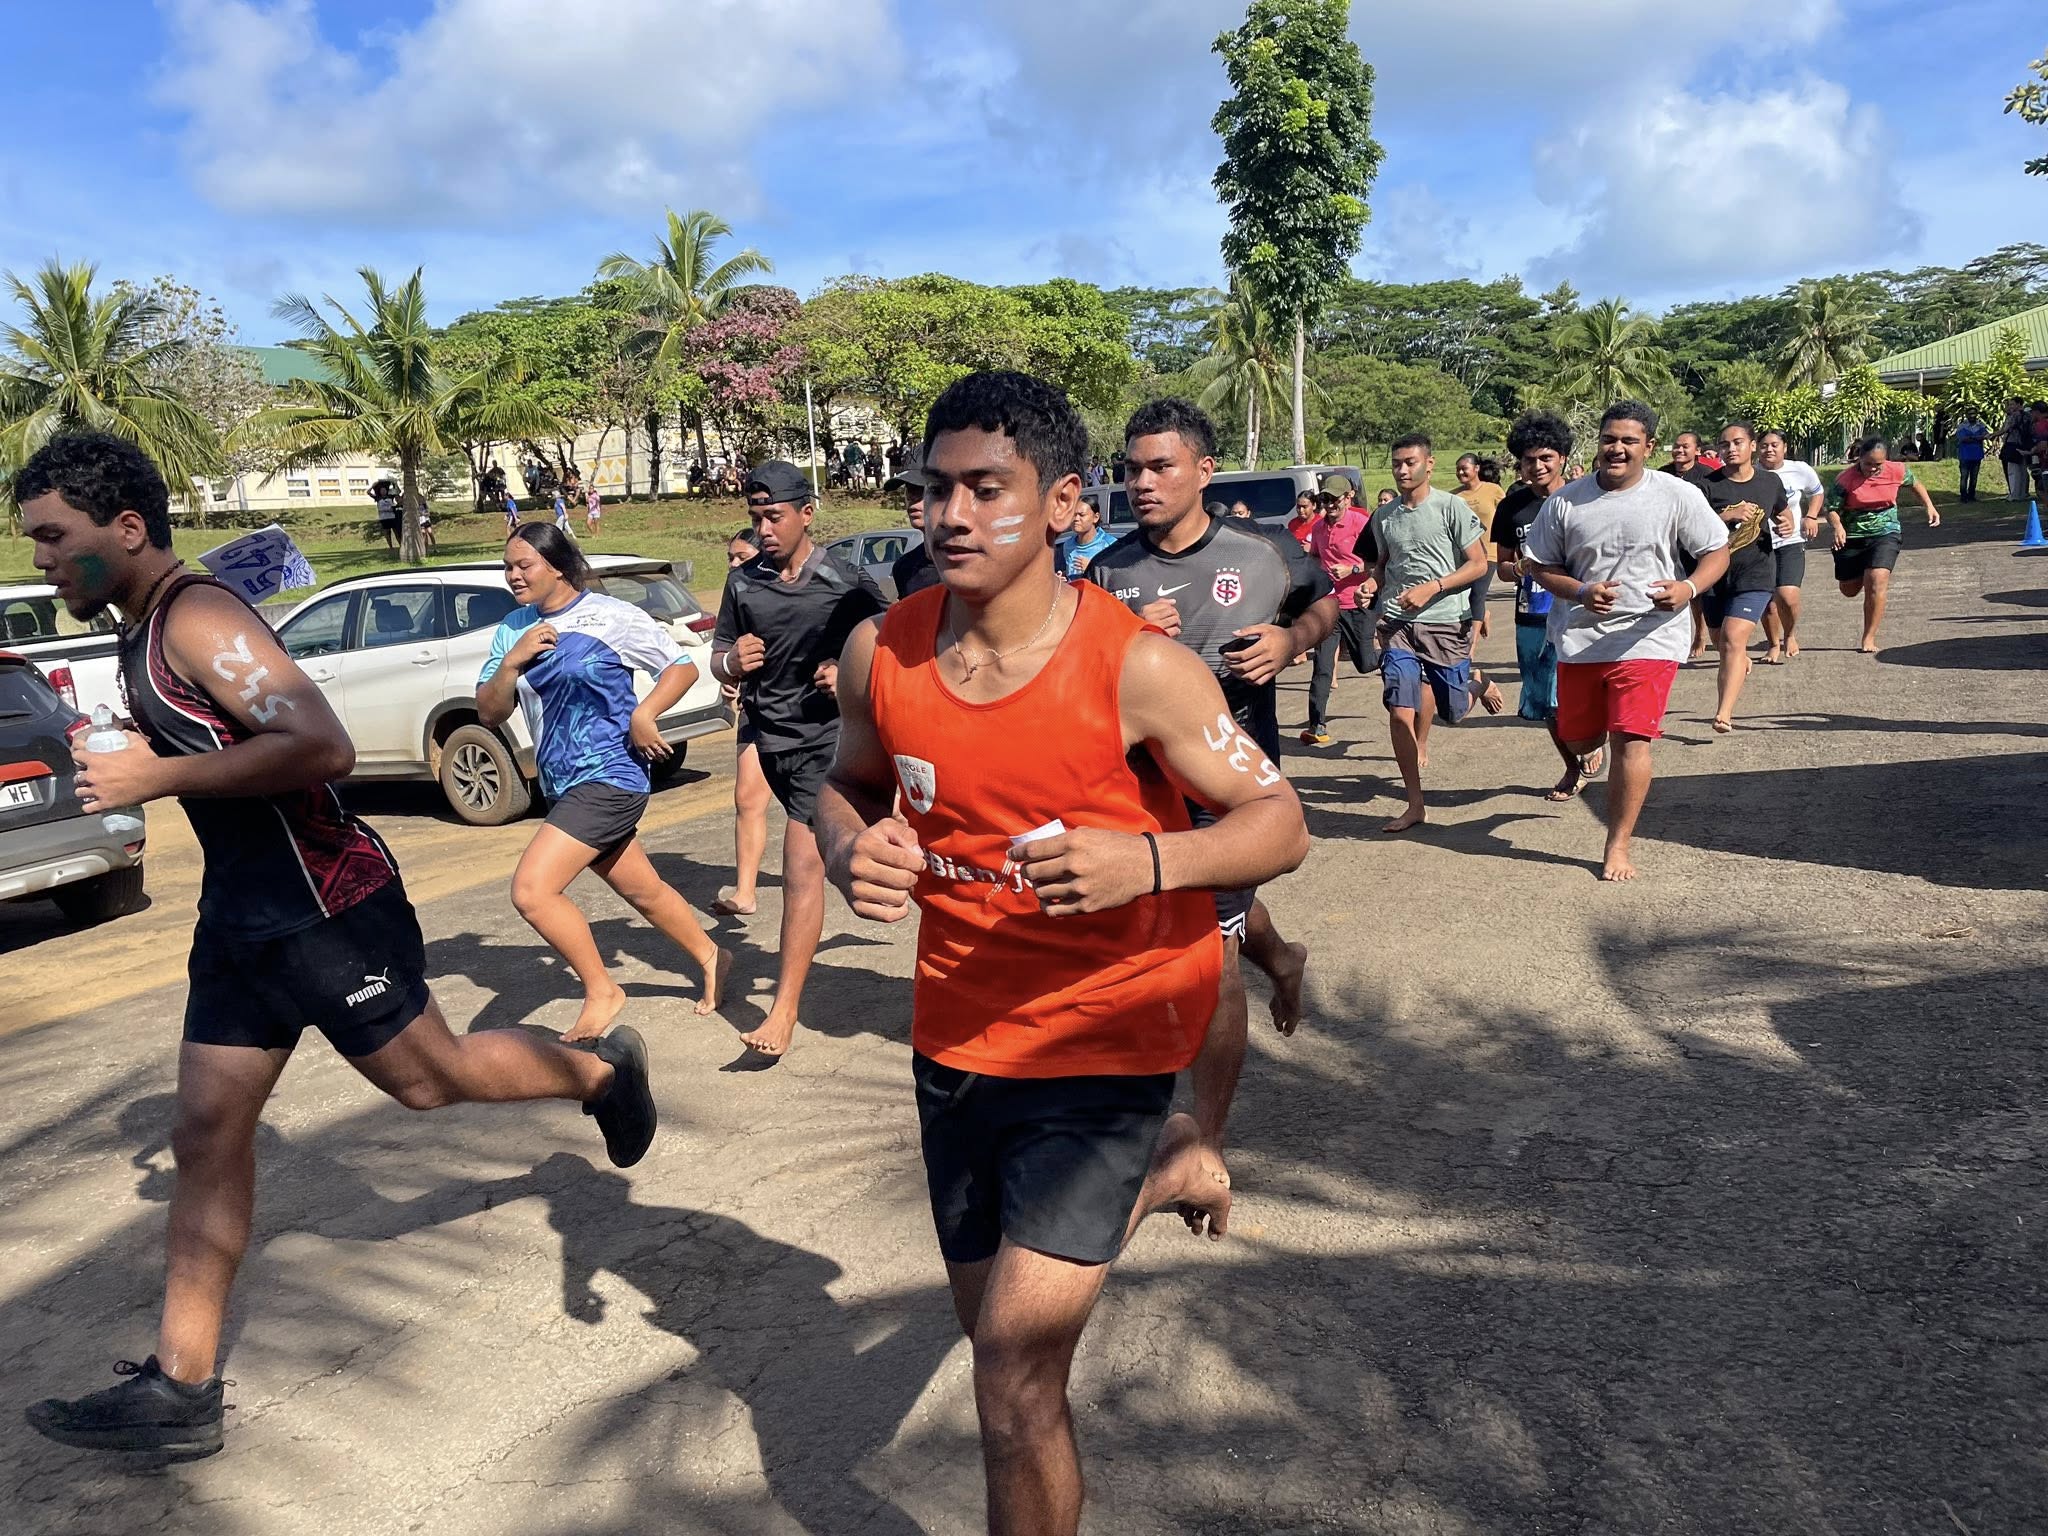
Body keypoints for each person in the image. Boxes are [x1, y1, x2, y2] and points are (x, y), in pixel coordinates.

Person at [18, 433, 655, 1460]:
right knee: (204, 1134)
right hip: (241, 918)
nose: (42, 558)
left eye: (54, 537)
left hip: (323, 906)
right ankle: (182, 1387)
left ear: (126, 528)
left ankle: (598, 1071)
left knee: (430, 1082)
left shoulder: (198, 616)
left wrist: (157, 777)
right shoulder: (145, 626)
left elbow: (322, 745)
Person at [816, 371, 1308, 1536]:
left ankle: (1157, 1152)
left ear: (1061, 503)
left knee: (1009, 1379)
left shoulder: (1137, 666)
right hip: (956, 1040)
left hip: (1107, 1035)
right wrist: (849, 849)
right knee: (993, 1349)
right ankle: (1169, 1167)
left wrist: (1147, 861)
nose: (950, 515)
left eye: (986, 489)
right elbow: (844, 784)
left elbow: (1278, 823)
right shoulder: (881, 651)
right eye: (934, 487)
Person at [1087, 398, 1333, 1148]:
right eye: (1132, 469)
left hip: (1230, 785)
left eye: (1160, 467)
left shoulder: (1264, 552)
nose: (1142, 483)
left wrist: (1290, 641)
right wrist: (1126, 638)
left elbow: (1330, 605)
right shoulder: (1107, 569)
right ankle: (1282, 958)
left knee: (1211, 955)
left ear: (1204, 470)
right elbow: (1085, 676)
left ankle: (1208, 1142)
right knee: (1200, 915)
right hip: (1141, 785)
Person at [478, 524, 729, 1041]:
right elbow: (489, 712)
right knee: (643, 890)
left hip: (612, 773)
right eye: (507, 567)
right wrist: (512, 661)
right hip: (561, 784)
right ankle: (712, 955)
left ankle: (602, 990)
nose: (513, 575)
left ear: (557, 567)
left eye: (524, 565)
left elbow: (679, 668)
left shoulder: (612, 616)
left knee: (533, 891)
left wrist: (644, 714)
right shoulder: (513, 629)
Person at [710, 461, 888, 1058]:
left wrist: (849, 673)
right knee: (848, 859)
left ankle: (782, 1012)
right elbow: (718, 654)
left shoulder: (845, 581)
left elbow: (891, 643)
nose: (763, 529)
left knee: (800, 869)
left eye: (774, 516)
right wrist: (732, 662)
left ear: (806, 514)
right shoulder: (743, 583)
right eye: (756, 517)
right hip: (770, 742)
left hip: (826, 743)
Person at [1522, 401, 1730, 881]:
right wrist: (1580, 591)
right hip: (1581, 638)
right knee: (1579, 738)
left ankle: (1617, 844)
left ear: (1648, 447)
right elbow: (1541, 566)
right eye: (1609, 439)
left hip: (1649, 636)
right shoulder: (1565, 502)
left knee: (1631, 739)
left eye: (1629, 441)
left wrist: (1688, 588)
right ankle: (1588, 748)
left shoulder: (1675, 494)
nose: (1617, 449)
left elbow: (1716, 551)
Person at [1371, 434, 1505, 835]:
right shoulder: (1384, 516)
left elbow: (1478, 564)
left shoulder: (1451, 507)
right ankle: (1415, 804)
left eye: (1410, 462)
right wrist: (1370, 585)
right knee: (1400, 708)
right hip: (1397, 623)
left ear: (1429, 465)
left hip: (1446, 622)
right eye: (1396, 463)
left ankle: (1476, 683)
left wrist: (1434, 587)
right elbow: (1383, 565)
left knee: (1453, 711)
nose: (1402, 470)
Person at [1493, 411, 1600, 801]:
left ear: (1562, 459)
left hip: (1578, 612)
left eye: (1546, 458)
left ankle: (1592, 739)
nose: (1537, 466)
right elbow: (1502, 568)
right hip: (1532, 615)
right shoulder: (1511, 507)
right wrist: (1521, 568)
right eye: (1528, 460)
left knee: (1569, 695)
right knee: (1544, 703)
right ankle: (1572, 765)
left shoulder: (1585, 498)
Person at [1697, 424, 1787, 733]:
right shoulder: (1706, 486)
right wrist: (1726, 516)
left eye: (1738, 442)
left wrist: (1787, 524)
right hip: (1713, 574)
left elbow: (1781, 512)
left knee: (1734, 638)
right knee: (1722, 642)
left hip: (1755, 572)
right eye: (1725, 444)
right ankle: (1739, 660)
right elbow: (1691, 528)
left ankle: (1724, 713)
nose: (1731, 449)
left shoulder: (1770, 482)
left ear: (1752, 446)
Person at [1826, 435, 1941, 655]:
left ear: (1886, 460)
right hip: (1852, 535)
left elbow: (1915, 483)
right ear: (1859, 458)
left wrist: (1929, 506)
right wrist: (1838, 526)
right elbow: (1831, 509)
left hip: (1886, 531)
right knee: (1849, 589)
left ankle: (1869, 637)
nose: (1872, 469)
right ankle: (1861, 574)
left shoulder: (1896, 470)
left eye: (1878, 464)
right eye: (1868, 464)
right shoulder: (1845, 479)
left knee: (1877, 580)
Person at [714, 531, 772, 917]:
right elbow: (724, 654)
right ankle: (745, 892)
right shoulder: (735, 594)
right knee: (747, 797)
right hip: (757, 706)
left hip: (812, 712)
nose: (734, 565)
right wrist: (729, 679)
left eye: (742, 557)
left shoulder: (801, 589)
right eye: (730, 558)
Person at [1302, 474, 1377, 748]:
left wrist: (1351, 569)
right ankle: (1316, 725)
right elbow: (1314, 556)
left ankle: (1396, 656)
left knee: (1365, 663)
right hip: (1329, 606)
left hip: (1358, 603)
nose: (1329, 504)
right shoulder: (1319, 527)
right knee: (1322, 666)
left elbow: (1378, 562)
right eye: (1325, 499)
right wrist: (1315, 576)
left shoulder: (1361, 523)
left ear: (1348, 497)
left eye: (1334, 499)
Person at [1756, 428, 1824, 663]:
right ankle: (1773, 644)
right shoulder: (1751, 473)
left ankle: (1790, 634)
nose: (1769, 449)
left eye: (1774, 445)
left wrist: (1811, 516)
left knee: (1788, 595)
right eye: (1764, 445)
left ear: (1785, 448)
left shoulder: (1799, 469)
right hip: (1759, 543)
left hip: (1790, 540)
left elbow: (1817, 492)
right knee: (1767, 602)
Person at [1453, 454, 1506, 642]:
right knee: (1465, 598)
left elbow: (1506, 516)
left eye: (1464, 468)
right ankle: (1482, 614)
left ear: (1476, 469)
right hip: (1463, 555)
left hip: (1489, 552)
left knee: (1477, 595)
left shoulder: (1493, 490)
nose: (1460, 472)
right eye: (1458, 469)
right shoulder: (1454, 497)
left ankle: (1471, 646)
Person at [886, 448, 941, 599]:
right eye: (909, 489)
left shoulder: (968, 565)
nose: (912, 497)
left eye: (920, 489)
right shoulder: (904, 568)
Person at [1054, 496, 1116, 577]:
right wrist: (1063, 576)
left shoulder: (1110, 544)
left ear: (1096, 517)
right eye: (1073, 515)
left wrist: (1092, 569)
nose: (1076, 519)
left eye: (1081, 515)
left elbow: (1117, 577)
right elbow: (1072, 573)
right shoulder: (1068, 545)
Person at [1953, 410, 1989, 502]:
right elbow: (1963, 439)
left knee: (1974, 477)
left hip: (1977, 455)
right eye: (1970, 414)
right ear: (1966, 415)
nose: (1972, 415)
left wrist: (1971, 437)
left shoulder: (1980, 425)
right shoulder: (1962, 426)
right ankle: (1963, 496)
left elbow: (1986, 435)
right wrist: (1977, 438)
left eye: (1974, 413)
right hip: (1965, 455)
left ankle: (1971, 495)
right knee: (1964, 476)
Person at [2000, 400, 2031, 501]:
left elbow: (2005, 429)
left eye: (2012, 404)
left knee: (2013, 471)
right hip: (2025, 445)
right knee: (2022, 471)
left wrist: (1993, 435)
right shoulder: (2028, 416)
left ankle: (2014, 494)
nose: (2010, 407)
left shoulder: (2014, 416)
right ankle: (2023, 493)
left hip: (2013, 444)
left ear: (2019, 404)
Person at [371, 478, 399, 552]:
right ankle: (391, 547)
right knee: (387, 532)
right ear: (380, 491)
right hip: (383, 518)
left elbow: (397, 491)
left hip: (392, 517)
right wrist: (373, 486)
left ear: (386, 490)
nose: (383, 491)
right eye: (382, 490)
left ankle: (400, 544)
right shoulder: (378, 498)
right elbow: (368, 492)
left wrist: (394, 483)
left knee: (396, 532)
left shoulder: (390, 496)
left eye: (384, 490)